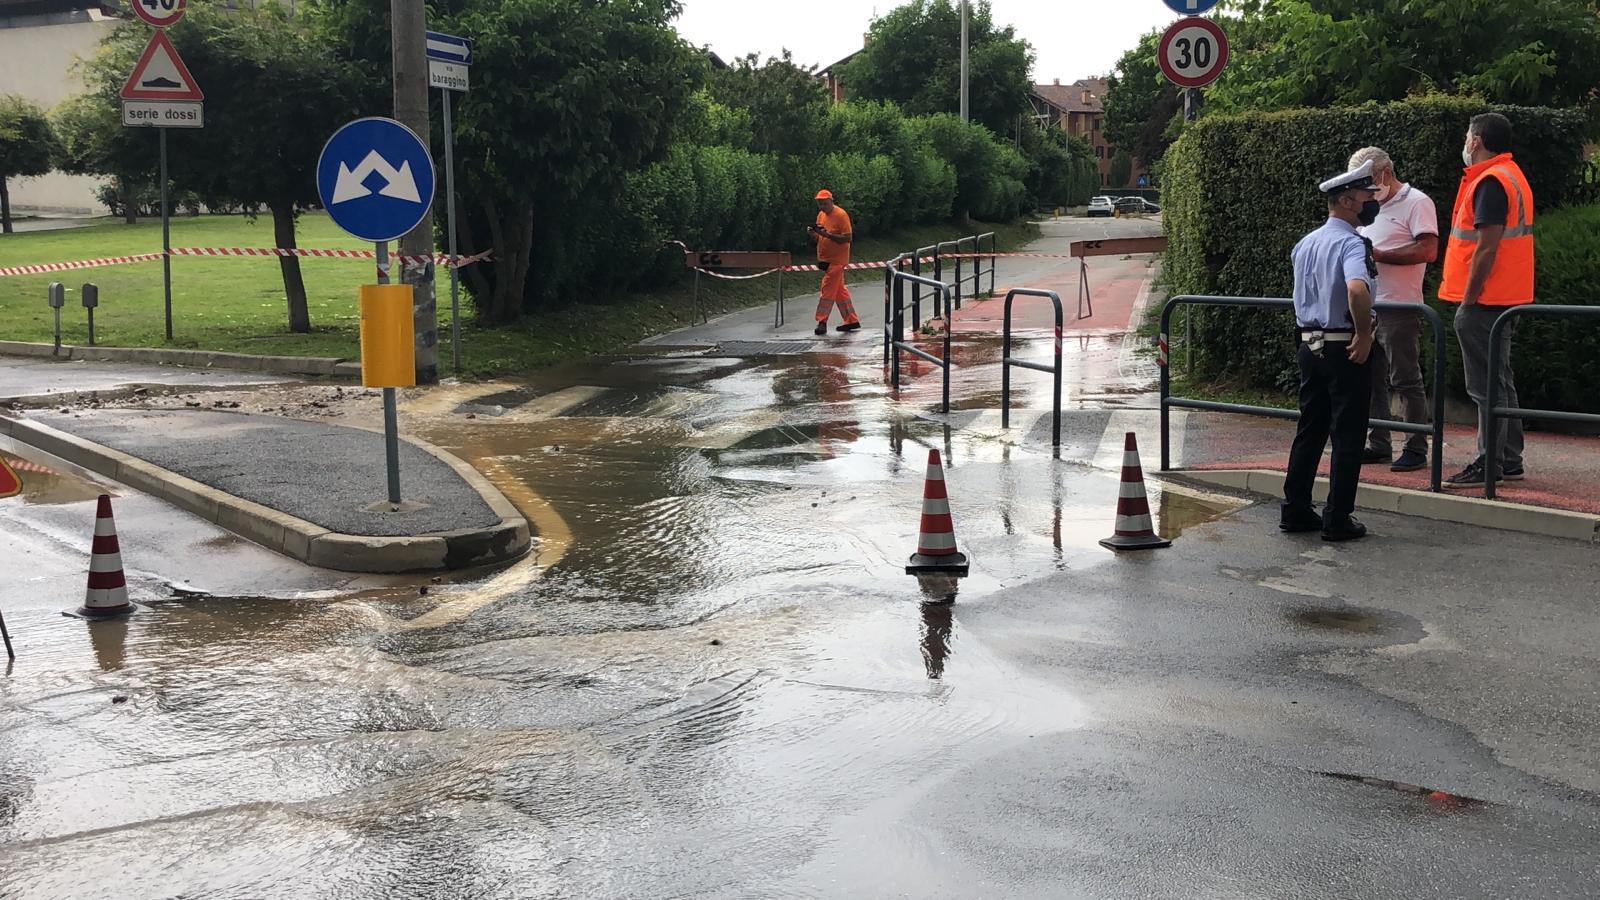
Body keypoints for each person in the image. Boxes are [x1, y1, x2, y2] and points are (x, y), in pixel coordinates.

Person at [1281, 160, 1380, 542]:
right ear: (1347, 200)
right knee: (1348, 434)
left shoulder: (1306, 243)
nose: (1371, 201)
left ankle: (1296, 508)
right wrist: (1364, 333)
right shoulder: (1351, 243)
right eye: (1366, 196)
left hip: (1310, 343)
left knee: (1310, 429)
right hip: (1344, 346)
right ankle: (1337, 517)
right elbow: (1357, 289)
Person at [1438, 112, 1534, 488]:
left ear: (1476, 141)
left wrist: (1469, 299)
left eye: (1467, 136)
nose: (1465, 142)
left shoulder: (1492, 180)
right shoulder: (1511, 175)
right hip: (1508, 295)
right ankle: (1508, 458)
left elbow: (1486, 248)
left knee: (1484, 387)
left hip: (1486, 300)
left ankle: (1489, 461)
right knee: (1501, 380)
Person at [1348, 147, 1439, 473]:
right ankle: (1379, 442)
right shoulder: (1371, 207)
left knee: (1405, 378)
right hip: (1370, 306)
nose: (1367, 189)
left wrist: (1379, 254)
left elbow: (1428, 250)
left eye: (1369, 181)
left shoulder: (1417, 202)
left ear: (1385, 172)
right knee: (1372, 378)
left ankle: (1416, 446)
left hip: (1400, 304)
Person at [811, 189, 861, 336]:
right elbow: (820, 238)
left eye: (825, 204)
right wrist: (814, 234)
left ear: (831, 201)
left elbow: (848, 238)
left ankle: (822, 321)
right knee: (840, 292)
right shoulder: (821, 215)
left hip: (837, 261)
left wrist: (827, 235)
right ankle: (851, 320)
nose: (822, 207)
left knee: (826, 290)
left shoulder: (841, 215)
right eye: (820, 204)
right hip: (825, 259)